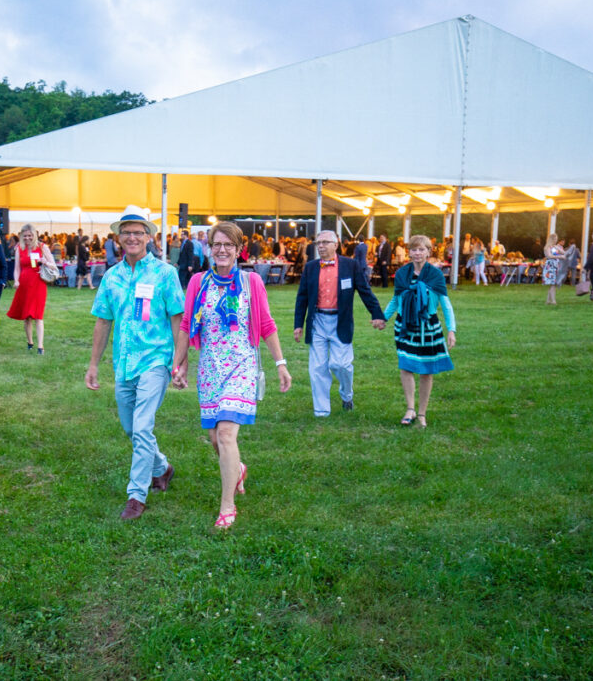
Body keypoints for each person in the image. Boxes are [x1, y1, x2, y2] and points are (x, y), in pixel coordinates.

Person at [172, 221, 292, 529]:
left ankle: (228, 506)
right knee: (215, 439)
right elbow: (187, 325)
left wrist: (281, 364)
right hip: (210, 369)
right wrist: (180, 364)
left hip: (241, 367)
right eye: (216, 244)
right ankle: (237, 468)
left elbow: (266, 324)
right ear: (209, 249)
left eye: (229, 245)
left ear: (239, 250)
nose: (222, 250)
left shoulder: (251, 282)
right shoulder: (199, 282)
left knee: (226, 434)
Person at [86, 206, 186, 521]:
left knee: (143, 426)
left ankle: (136, 496)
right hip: (124, 363)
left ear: (148, 237)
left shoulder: (165, 274)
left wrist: (180, 363)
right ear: (118, 238)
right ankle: (162, 467)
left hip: (155, 360)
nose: (132, 237)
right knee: (131, 428)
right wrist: (93, 364)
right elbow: (103, 322)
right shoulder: (112, 276)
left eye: (138, 232)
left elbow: (178, 319)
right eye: (126, 232)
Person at [294, 230, 386, 417]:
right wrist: (298, 324)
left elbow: (364, 291)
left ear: (336, 245)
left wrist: (377, 314)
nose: (320, 246)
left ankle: (347, 395)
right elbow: (302, 297)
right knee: (317, 367)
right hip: (317, 321)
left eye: (325, 242)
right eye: (318, 242)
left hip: (340, 321)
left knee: (340, 365)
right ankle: (321, 411)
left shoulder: (349, 265)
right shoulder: (311, 267)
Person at [383, 235, 456, 428]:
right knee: (406, 367)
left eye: (421, 249)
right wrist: (383, 318)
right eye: (414, 249)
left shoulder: (435, 275)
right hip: (405, 326)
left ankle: (422, 413)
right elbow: (396, 300)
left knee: (426, 371)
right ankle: (410, 408)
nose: (417, 253)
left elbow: (445, 304)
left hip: (428, 327)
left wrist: (451, 330)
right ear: (409, 252)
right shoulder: (402, 274)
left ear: (428, 252)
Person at [7, 224, 55, 352]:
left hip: (38, 283)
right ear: (21, 236)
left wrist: (44, 262)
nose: (27, 238)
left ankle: (40, 346)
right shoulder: (19, 249)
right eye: (25, 236)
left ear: (35, 235)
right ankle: (30, 342)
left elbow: (54, 266)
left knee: (38, 315)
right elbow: (17, 268)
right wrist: (16, 280)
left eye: (30, 235)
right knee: (26, 316)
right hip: (24, 283)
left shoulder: (42, 247)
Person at [542, 232, 565, 305]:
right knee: (552, 284)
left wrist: (557, 247)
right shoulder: (547, 247)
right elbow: (549, 256)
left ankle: (548, 300)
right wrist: (559, 257)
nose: (556, 240)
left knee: (553, 284)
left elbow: (563, 252)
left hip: (555, 266)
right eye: (555, 239)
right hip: (550, 266)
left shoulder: (554, 247)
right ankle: (553, 301)